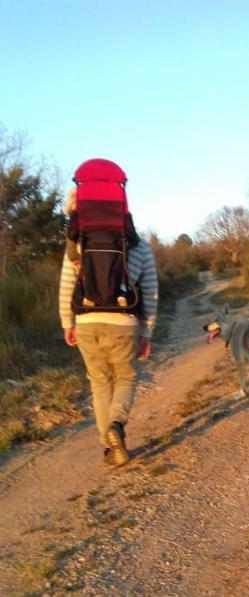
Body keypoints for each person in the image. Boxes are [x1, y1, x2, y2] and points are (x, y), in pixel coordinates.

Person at [58, 182, 158, 467]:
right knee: (125, 378)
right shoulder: (136, 244)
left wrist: (68, 322)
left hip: (87, 321)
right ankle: (117, 424)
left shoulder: (78, 244)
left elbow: (66, 284)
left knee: (99, 383)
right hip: (124, 322)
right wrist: (147, 331)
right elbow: (150, 291)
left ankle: (108, 446)